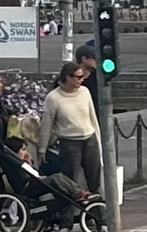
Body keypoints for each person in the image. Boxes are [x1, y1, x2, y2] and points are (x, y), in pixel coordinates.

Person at [40, 60, 104, 201]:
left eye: (83, 77)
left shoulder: (84, 92)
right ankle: (66, 219)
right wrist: (42, 149)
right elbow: (47, 123)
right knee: (71, 183)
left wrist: (98, 141)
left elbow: (92, 117)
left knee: (94, 181)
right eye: (79, 77)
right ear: (68, 78)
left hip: (89, 139)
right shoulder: (54, 97)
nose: (82, 80)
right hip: (70, 143)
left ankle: (96, 214)